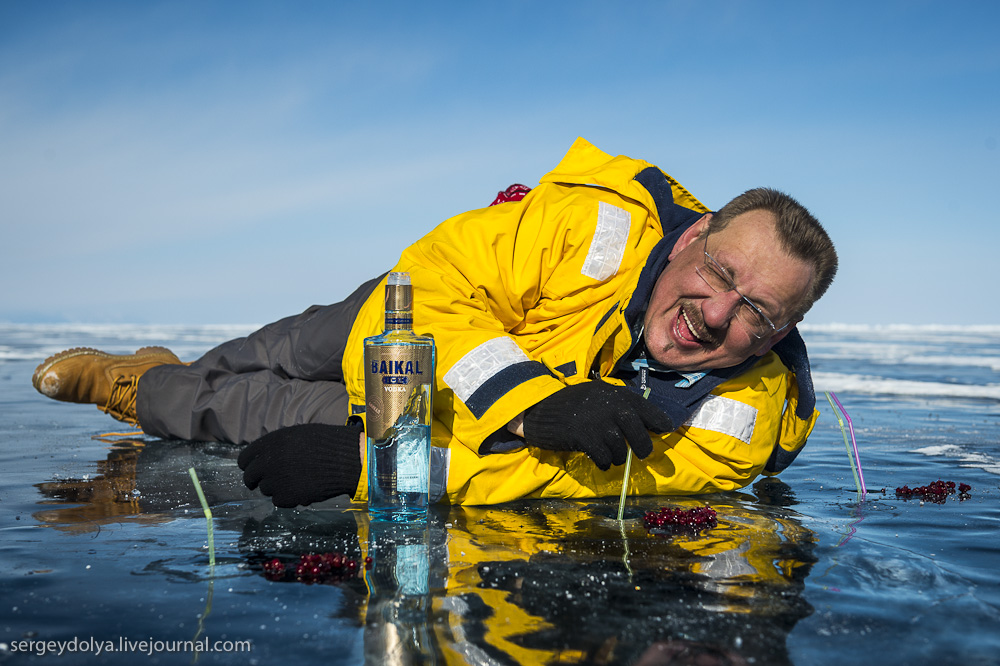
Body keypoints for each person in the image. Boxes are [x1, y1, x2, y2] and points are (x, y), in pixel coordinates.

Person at [32, 138, 837, 508]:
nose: (716, 315)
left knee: (247, 409)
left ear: (781, 336)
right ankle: (169, 362)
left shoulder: (743, 416)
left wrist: (378, 469)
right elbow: (435, 282)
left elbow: (570, 480)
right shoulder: (596, 228)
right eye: (720, 275)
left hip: (437, 420)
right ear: (693, 237)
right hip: (412, 314)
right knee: (274, 349)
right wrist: (531, 400)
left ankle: (130, 383)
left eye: (758, 314)